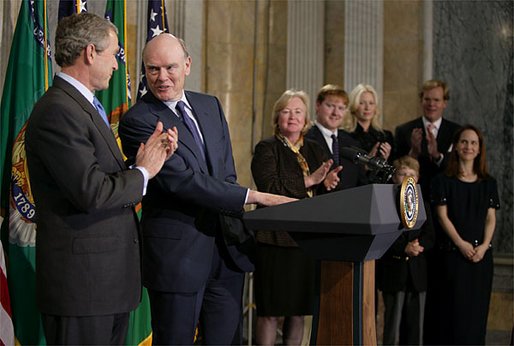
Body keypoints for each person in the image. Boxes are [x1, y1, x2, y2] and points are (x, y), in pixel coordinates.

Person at [118, 33, 293, 345]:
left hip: (227, 252)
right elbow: (183, 182)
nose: (162, 78)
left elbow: (225, 171)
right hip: (178, 257)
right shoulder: (138, 120)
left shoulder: (209, 105)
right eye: (152, 69)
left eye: (170, 68)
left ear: (187, 65)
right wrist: (254, 196)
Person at [25, 13, 177, 345]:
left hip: (103, 287)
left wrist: (142, 161)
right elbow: (91, 192)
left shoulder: (81, 106)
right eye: (114, 54)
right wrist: (142, 173)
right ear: (91, 53)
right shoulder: (58, 111)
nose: (116, 65)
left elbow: (98, 175)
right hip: (82, 289)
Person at [251, 90, 341, 345]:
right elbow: (269, 187)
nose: (292, 117)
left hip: (306, 241)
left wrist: (328, 183)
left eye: (298, 112)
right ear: (277, 116)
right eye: (286, 111)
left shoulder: (314, 148)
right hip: (275, 240)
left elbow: (321, 190)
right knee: (270, 311)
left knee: (299, 312)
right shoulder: (266, 148)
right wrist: (309, 180)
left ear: (306, 119)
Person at [429, 125, 499, 345]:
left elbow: (490, 219)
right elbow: (442, 217)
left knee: (475, 318)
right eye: (464, 142)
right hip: (452, 257)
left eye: (473, 143)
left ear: (479, 149)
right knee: (451, 316)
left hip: (480, 259)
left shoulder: (489, 183)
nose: (469, 147)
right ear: (456, 147)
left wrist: (484, 246)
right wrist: (460, 243)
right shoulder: (442, 181)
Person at [376, 156, 434, 345]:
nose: (407, 177)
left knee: (416, 327)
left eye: (411, 174)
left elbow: (430, 235)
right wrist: (403, 248)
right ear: (394, 177)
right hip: (395, 271)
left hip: (417, 273)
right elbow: (383, 234)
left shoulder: (423, 205)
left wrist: (418, 246)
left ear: (417, 178)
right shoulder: (386, 203)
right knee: (393, 327)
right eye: (402, 174)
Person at [394, 79, 460, 197]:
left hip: (446, 197)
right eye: (427, 99)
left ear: (445, 103)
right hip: (414, 197)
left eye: (436, 100)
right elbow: (396, 169)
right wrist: (413, 153)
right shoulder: (404, 131)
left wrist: (437, 155)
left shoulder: (457, 132)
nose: (431, 104)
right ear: (421, 101)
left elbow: (457, 167)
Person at [306, 84, 367, 190]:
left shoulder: (352, 143)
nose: (335, 113)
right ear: (317, 106)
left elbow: (362, 183)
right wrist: (323, 184)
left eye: (341, 108)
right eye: (330, 106)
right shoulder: (305, 139)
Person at [348, 83, 394, 162]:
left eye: (371, 103)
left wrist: (384, 160)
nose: (367, 108)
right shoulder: (344, 135)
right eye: (362, 103)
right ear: (354, 105)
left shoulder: (385, 136)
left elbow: (393, 165)